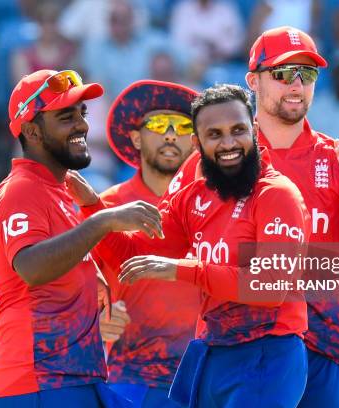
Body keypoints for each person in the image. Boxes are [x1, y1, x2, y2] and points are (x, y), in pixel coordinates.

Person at [163, 26, 339, 407]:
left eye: (307, 74)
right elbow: (162, 238)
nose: (296, 84)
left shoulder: (338, 159)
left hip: (321, 347)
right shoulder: (211, 160)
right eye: (282, 74)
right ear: (253, 81)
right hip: (238, 345)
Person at [71, 84, 311, 407]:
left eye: (238, 130)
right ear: (197, 144)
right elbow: (136, 254)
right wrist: (92, 208)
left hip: (267, 352)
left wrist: (182, 269)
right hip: (210, 353)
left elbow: (268, 287)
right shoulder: (194, 194)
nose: (229, 143)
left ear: (254, 131)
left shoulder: (277, 195)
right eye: (214, 135)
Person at [0, 69, 163, 407]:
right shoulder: (21, 189)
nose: (82, 125)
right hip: (37, 382)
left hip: (69, 378)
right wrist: (103, 220)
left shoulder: (60, 191)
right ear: (32, 131)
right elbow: (31, 266)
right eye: (66, 117)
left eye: (82, 114)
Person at [97, 80, 202, 407]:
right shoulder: (105, 208)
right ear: (136, 137)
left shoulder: (217, 206)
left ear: (195, 142)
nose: (171, 134)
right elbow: (71, 286)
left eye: (183, 125)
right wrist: (94, 318)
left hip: (203, 376)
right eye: (159, 124)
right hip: (131, 378)